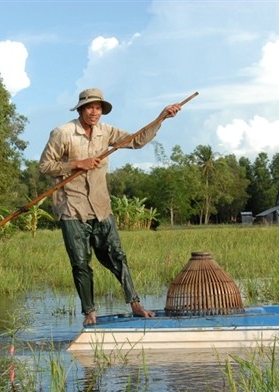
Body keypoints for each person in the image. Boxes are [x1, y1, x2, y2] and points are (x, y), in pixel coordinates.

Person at [39, 88, 182, 326]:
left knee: (117, 256)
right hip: (72, 209)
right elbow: (45, 166)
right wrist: (77, 164)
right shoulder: (62, 133)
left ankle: (135, 303)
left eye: (98, 108)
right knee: (80, 263)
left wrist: (161, 118)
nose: (94, 112)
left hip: (101, 208)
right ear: (81, 109)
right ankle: (89, 313)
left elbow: (136, 140)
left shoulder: (107, 132)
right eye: (89, 107)